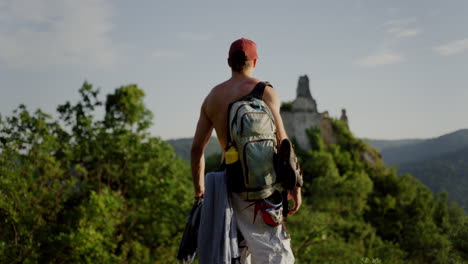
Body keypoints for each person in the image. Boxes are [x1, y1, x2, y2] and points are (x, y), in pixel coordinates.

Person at [191, 38, 301, 263]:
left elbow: (196, 150)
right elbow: (284, 144)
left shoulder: (213, 97)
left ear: (228, 62)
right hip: (262, 189)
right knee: (275, 254)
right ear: (255, 61)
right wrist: (295, 184)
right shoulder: (265, 92)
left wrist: (200, 191)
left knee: (236, 256)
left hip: (227, 188)